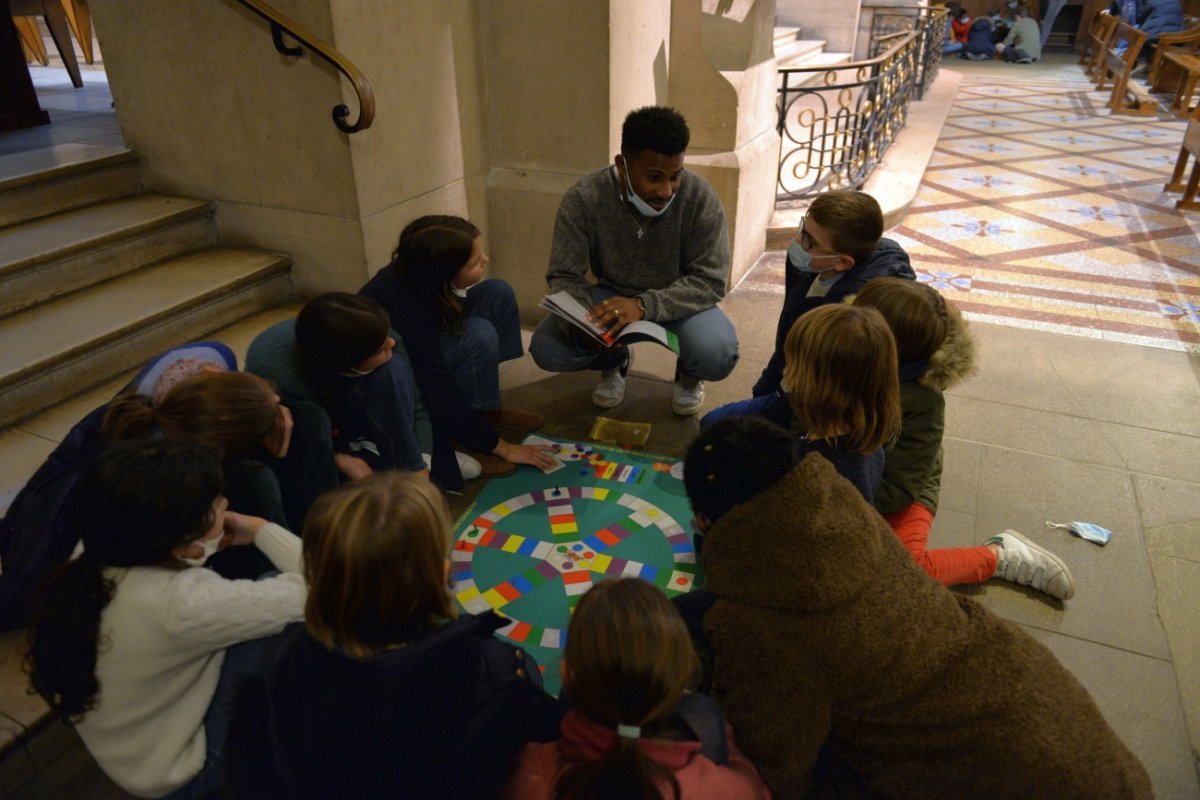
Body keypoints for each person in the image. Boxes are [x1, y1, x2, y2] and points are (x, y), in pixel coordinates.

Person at [679, 417, 1153, 799]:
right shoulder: (840, 509)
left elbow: (777, 769)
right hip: (1069, 728)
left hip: (1004, 774)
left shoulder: (754, 623)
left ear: (705, 521)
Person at [225, 472, 560, 799]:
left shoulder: (281, 661)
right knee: (526, 664)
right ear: (443, 576)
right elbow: (551, 731)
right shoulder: (489, 668)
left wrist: (261, 530)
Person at [23, 440, 305, 799]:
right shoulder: (181, 602)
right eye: (215, 503)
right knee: (290, 610)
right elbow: (329, 585)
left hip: (135, 755)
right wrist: (264, 529)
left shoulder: (93, 554)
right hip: (186, 771)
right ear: (178, 542)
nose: (225, 505)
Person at [854, 278, 1076, 599]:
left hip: (900, 486)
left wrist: (841, 488)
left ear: (889, 348)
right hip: (854, 473)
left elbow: (900, 488)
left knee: (904, 575)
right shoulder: (842, 344)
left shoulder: (921, 404)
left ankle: (999, 556)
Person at [530, 105, 740, 417]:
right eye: (654, 177)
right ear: (622, 165)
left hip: (680, 301)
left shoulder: (700, 198)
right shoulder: (585, 197)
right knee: (548, 348)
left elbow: (709, 282)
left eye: (675, 176)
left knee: (716, 352)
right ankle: (613, 361)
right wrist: (581, 324)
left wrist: (643, 306)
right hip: (611, 296)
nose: (666, 191)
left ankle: (689, 373)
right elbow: (564, 275)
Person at [506, 578, 770, 800]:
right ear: (679, 680)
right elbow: (756, 790)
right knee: (705, 710)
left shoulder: (526, 773)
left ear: (567, 673)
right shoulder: (714, 786)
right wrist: (731, 747)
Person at [360, 215, 558, 477]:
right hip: (406, 375)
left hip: (429, 334)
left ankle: (487, 409)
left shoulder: (421, 272)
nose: (485, 260)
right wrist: (500, 447)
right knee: (478, 336)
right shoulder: (409, 309)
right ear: (445, 272)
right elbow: (434, 388)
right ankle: (464, 437)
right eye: (475, 262)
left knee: (497, 293)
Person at [102, 370, 328, 578]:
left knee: (307, 417)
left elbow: (225, 392)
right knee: (257, 480)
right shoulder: (237, 482)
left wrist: (263, 402)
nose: (278, 401)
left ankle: (325, 533)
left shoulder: (177, 414)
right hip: (229, 568)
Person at [705, 303, 901, 504]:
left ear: (820, 384)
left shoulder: (806, 470)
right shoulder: (867, 444)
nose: (784, 371)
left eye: (793, 364)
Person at [752, 190, 914, 399]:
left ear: (842, 262)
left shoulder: (851, 315)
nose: (797, 241)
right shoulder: (812, 262)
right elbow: (788, 332)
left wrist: (777, 397)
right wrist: (767, 385)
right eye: (803, 227)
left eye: (810, 241)